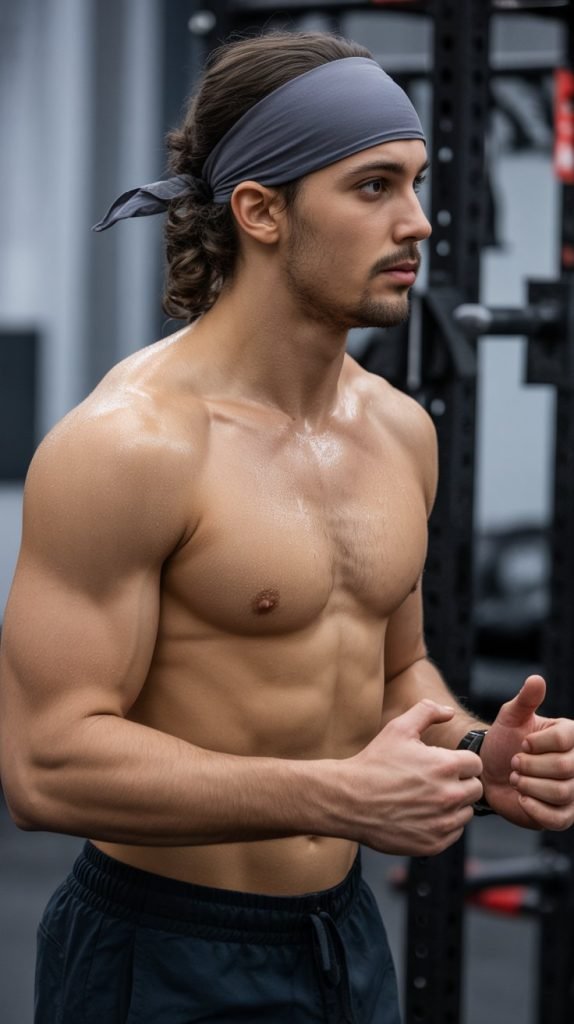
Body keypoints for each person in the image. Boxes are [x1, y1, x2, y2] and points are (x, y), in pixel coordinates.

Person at [1, 30, 574, 1024]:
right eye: (372, 187)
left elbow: (394, 674)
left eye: (416, 183)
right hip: (163, 946)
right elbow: (45, 764)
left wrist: (479, 753)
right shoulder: (133, 445)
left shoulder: (399, 431)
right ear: (260, 211)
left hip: (339, 938)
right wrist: (334, 795)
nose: (420, 222)